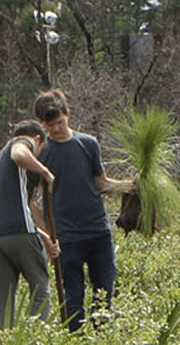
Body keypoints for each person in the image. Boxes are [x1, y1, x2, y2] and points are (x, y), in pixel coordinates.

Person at [34, 89, 133, 331]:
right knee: (73, 300)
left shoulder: (88, 144)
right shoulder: (42, 153)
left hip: (98, 232)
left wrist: (130, 186)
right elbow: (31, 199)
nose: (56, 129)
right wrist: (46, 234)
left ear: (68, 114)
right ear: (41, 124)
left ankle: (100, 337)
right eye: (50, 125)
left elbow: (100, 182)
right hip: (66, 238)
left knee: (104, 294)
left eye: (59, 122)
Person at [0, 120, 61, 329]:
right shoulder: (23, 142)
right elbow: (19, 153)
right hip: (17, 232)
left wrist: (46, 237)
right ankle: (34, 339)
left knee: (2, 304)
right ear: (37, 140)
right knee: (41, 290)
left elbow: (27, 204)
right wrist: (45, 172)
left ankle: (6, 340)